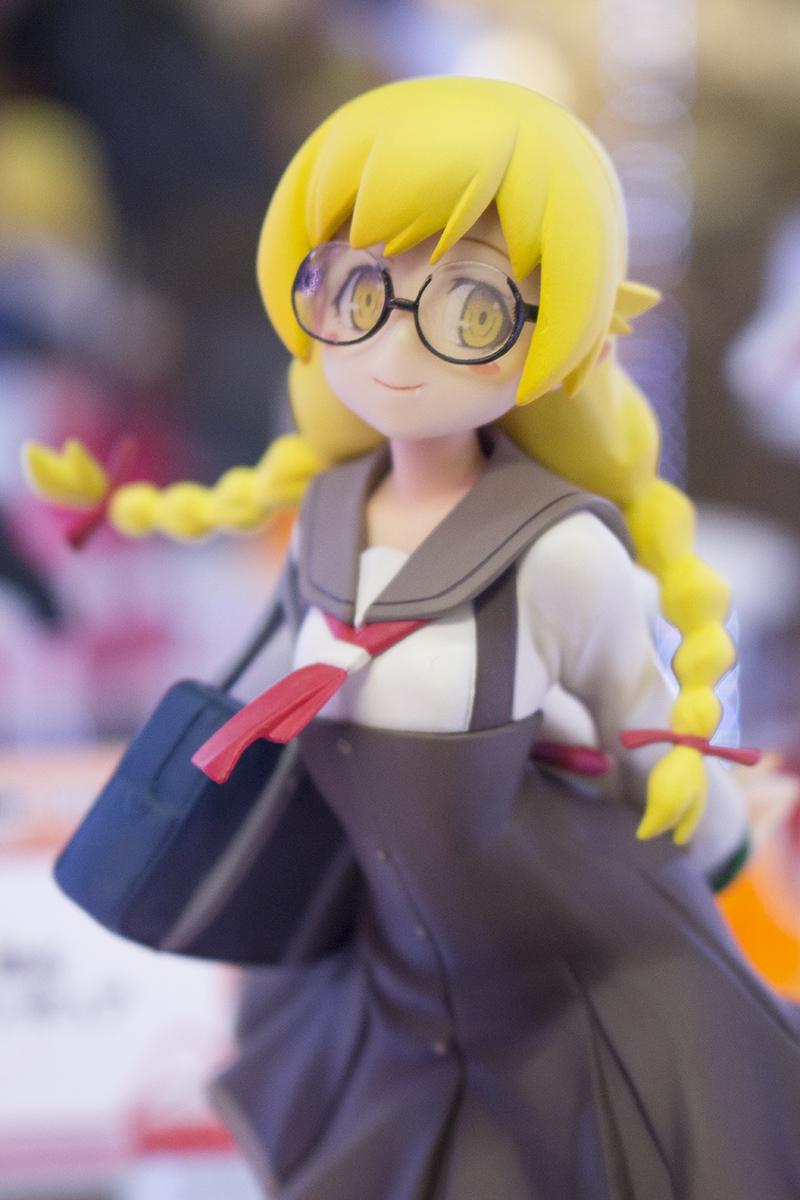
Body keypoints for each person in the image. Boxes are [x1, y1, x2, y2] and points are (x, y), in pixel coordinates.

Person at [25, 77, 800, 1199]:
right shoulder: (326, 518)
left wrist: (733, 858)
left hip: (568, 984)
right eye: (355, 290)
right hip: (383, 985)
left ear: (552, 330)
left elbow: (640, 729)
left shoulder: (554, 552)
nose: (395, 343)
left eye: (470, 309)